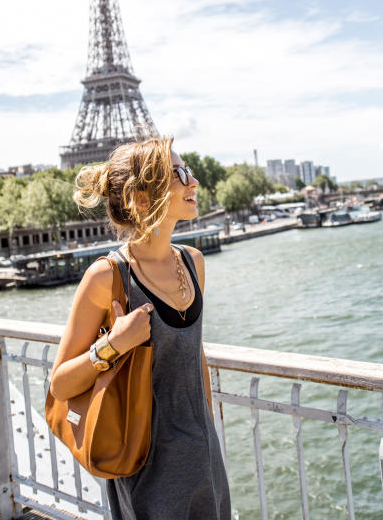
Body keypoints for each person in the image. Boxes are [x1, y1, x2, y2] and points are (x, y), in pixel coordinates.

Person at [49, 136, 231, 520]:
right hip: (145, 462)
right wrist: (114, 343)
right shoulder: (106, 277)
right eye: (179, 174)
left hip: (203, 457)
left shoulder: (194, 263)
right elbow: (60, 386)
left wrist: (208, 438)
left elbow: (194, 358)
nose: (193, 181)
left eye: (190, 171)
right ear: (141, 198)